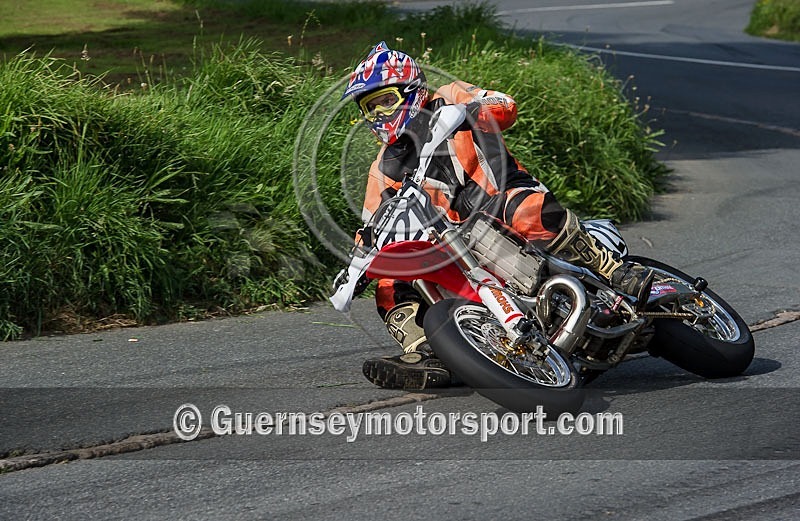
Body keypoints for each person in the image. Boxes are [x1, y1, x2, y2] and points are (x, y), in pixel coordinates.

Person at [341, 41, 654, 390]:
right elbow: (374, 224)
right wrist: (358, 262)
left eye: (386, 100)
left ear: (410, 91)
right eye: (370, 107)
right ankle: (431, 352)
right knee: (391, 282)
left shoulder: (449, 96)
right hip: (453, 244)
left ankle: (614, 270)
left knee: (526, 210)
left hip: (502, 201)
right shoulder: (383, 168)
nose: (379, 113)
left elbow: (506, 105)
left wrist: (471, 110)